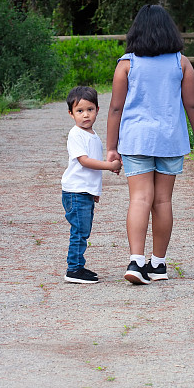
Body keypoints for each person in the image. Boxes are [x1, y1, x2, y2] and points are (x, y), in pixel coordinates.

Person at [106, 4, 194, 285]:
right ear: (169, 31)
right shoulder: (181, 62)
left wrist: (111, 147)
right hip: (170, 140)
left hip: (137, 139)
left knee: (140, 198)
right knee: (162, 201)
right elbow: (192, 104)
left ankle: (136, 262)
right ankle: (159, 264)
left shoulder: (127, 64)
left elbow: (116, 108)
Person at [61, 86, 122, 284]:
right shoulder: (76, 135)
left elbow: (91, 171)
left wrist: (95, 191)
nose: (85, 115)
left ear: (97, 109)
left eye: (90, 110)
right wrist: (109, 165)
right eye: (80, 111)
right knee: (79, 231)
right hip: (75, 192)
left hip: (84, 192)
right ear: (71, 114)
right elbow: (85, 162)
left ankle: (78, 265)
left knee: (84, 230)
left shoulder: (92, 135)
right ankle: (73, 269)